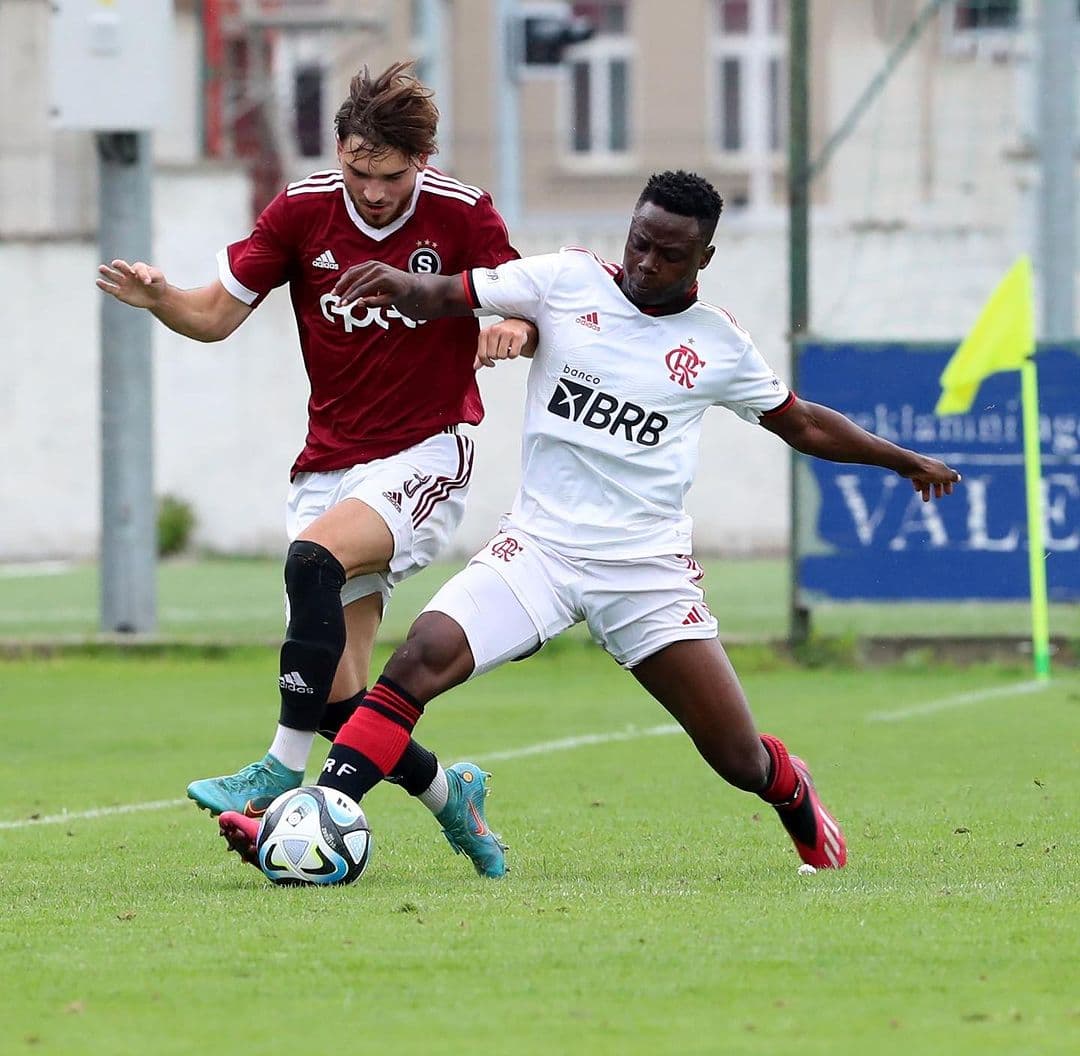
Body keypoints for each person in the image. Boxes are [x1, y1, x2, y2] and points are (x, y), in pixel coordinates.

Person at [218, 169, 963, 877]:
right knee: (421, 656)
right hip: (537, 550)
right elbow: (455, 291)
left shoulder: (716, 344)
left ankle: (791, 793)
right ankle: (309, 815)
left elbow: (800, 423)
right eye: (639, 239)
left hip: (644, 572)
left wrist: (903, 461)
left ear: (704, 256)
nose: (645, 261)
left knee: (738, 758)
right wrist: (397, 284)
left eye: (670, 253)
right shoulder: (568, 280)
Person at [96, 61, 537, 878]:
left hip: (428, 450)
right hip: (328, 467)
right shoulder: (301, 210)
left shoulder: (463, 213)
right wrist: (162, 299)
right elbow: (215, 315)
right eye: (359, 171)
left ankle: (277, 767)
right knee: (341, 700)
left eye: (392, 176)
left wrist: (511, 328)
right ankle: (453, 795)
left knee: (312, 562)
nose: (373, 192)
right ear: (340, 149)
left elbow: (522, 301)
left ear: (423, 159)